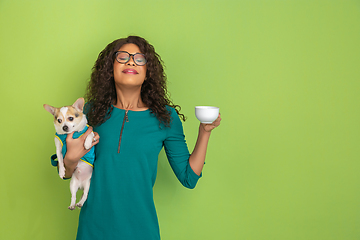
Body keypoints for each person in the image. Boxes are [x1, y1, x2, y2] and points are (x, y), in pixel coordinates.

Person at [57, 36, 221, 239]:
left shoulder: (166, 117)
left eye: (139, 58)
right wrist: (71, 159)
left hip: (141, 231)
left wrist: (205, 132)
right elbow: (65, 173)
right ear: (110, 69)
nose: (131, 61)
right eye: (123, 57)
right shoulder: (88, 113)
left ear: (147, 72)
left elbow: (189, 177)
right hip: (93, 230)